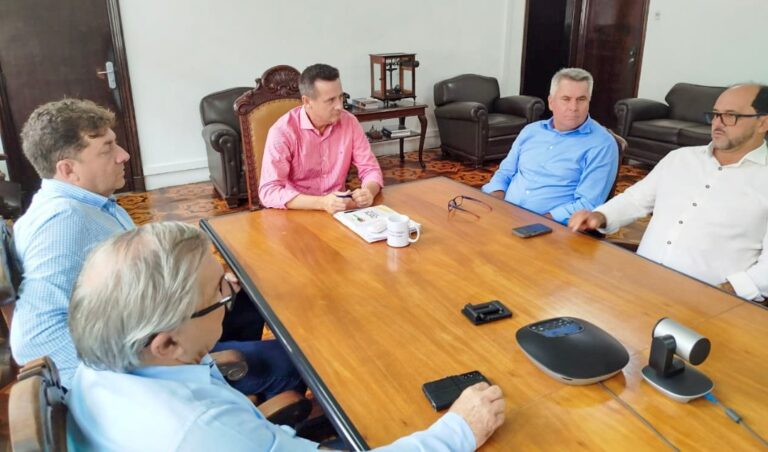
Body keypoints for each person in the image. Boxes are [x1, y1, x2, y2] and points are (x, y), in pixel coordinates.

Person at [66, 221, 506, 451]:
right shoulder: (202, 432)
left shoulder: (100, 364)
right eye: (218, 292)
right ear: (166, 343)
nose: (228, 293)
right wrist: (459, 431)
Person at [11, 99, 304, 398]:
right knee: (295, 362)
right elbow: (35, 339)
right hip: (150, 364)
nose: (123, 155)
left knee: (250, 293)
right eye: (107, 148)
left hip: (157, 327)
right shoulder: (62, 224)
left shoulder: (91, 205)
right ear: (68, 169)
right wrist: (139, 387)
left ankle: (239, 379)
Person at [569, 84, 768, 301]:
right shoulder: (680, 158)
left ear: (763, 123)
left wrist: (727, 291)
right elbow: (636, 199)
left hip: (708, 303)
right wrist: (600, 215)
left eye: (730, 116)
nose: (717, 123)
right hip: (638, 286)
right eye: (715, 114)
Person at [482, 68, 618, 224]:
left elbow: (588, 204)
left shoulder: (602, 144)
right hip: (504, 215)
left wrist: (539, 223)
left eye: (581, 99)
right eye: (566, 99)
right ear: (551, 102)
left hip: (549, 228)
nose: (573, 107)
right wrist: (495, 204)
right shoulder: (531, 131)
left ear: (589, 101)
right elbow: (505, 173)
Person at [259, 63, 384, 214]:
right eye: (331, 100)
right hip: (297, 211)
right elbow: (269, 191)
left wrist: (369, 191)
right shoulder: (282, 131)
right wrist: (322, 203)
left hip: (339, 211)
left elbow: (371, 169)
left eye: (341, 97)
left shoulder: (350, 122)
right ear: (307, 102)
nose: (339, 106)